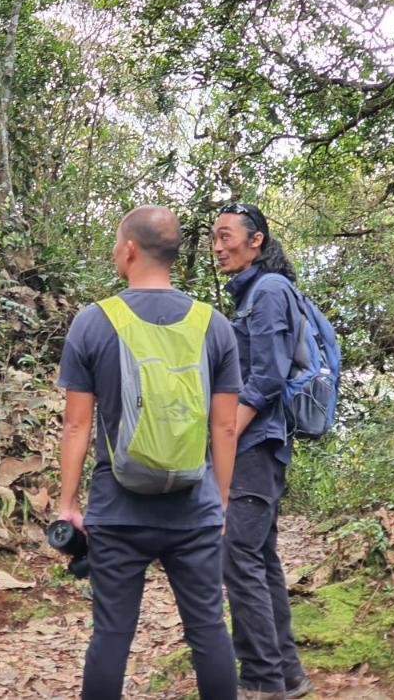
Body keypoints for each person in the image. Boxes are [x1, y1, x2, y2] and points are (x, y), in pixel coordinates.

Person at [58, 205, 241, 700]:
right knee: (208, 633)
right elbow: (224, 427)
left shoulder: (93, 322)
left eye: (117, 244)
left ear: (131, 249)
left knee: (112, 636)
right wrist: (220, 502)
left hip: (118, 512)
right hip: (194, 505)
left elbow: (77, 425)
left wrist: (68, 505)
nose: (116, 252)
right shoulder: (214, 325)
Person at [212, 202, 313, 700]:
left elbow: (268, 376)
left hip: (254, 445)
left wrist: (227, 433)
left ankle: (260, 682)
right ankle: (287, 675)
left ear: (256, 240)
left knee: (239, 558)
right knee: (259, 558)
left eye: (226, 236)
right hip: (258, 445)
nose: (217, 246)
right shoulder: (253, 293)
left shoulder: (269, 291)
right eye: (214, 237)